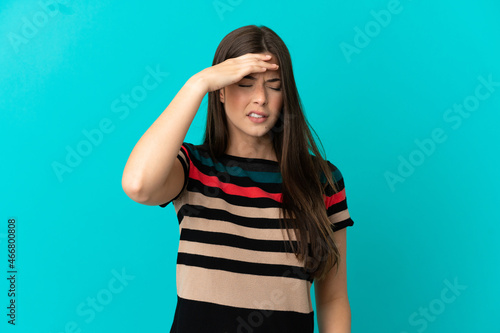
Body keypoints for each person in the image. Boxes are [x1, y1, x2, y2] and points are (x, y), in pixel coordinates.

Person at [122, 25, 354, 333]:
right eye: (244, 83)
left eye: (274, 85)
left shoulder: (322, 179)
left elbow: (333, 298)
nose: (260, 98)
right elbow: (138, 185)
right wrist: (197, 83)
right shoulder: (193, 166)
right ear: (220, 89)